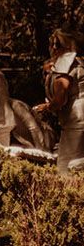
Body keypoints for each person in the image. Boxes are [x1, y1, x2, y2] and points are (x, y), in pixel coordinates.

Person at [34, 29, 84, 174]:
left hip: (76, 123)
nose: (54, 48)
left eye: (58, 44)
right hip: (76, 122)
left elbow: (60, 98)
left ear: (68, 46)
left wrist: (47, 107)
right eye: (52, 44)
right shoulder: (78, 61)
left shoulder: (65, 62)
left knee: (65, 168)